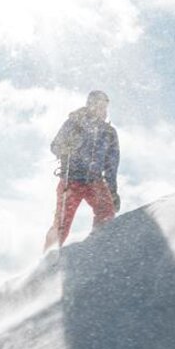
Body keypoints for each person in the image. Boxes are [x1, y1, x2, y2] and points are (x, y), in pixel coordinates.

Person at [44, 90, 120, 251]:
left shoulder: (109, 133)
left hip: (95, 181)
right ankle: (48, 260)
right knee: (62, 224)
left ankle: (97, 248)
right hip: (71, 180)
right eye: (98, 105)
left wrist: (112, 191)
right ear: (90, 105)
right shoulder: (74, 123)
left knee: (107, 213)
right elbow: (55, 146)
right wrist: (69, 146)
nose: (102, 110)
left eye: (104, 106)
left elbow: (112, 166)